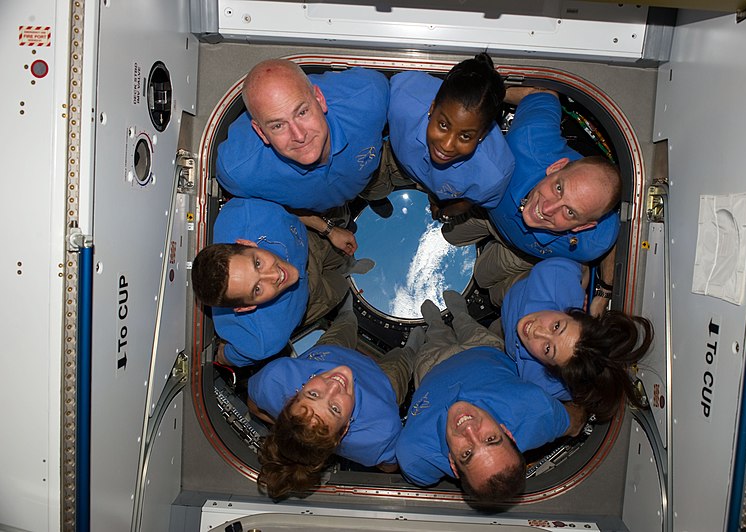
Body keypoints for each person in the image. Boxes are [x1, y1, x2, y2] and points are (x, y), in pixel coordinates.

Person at [395, 294, 584, 507]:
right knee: (468, 324)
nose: (469, 430)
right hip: (484, 350)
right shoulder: (535, 407)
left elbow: (422, 477)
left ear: (454, 466)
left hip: (432, 366)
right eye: (491, 439)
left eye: (467, 453)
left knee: (436, 336)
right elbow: (576, 423)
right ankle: (459, 313)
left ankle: (435, 323)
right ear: (507, 432)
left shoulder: (414, 454)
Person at [443, 85, 622, 308]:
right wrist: (480, 93)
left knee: (483, 278)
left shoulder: (594, 238)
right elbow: (544, 94)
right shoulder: (526, 144)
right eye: (558, 188)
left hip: (520, 252)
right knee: (448, 235)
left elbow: (613, 232)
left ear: (581, 227)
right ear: (556, 167)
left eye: (569, 212)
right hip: (487, 211)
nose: (547, 209)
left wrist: (604, 291)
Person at [248, 298, 424, 499]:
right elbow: (389, 466)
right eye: (334, 409)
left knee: (343, 327)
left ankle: (348, 315)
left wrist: (293, 432)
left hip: (330, 353)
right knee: (401, 363)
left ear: (292, 397)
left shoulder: (274, 379)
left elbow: (253, 406)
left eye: (313, 394)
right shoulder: (380, 434)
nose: (334, 385)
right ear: (345, 431)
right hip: (384, 384)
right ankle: (410, 349)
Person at [216, 59, 391, 254]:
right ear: (261, 133)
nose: (299, 136)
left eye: (302, 112)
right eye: (278, 125)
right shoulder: (239, 171)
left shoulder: (368, 97)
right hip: (319, 208)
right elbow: (272, 206)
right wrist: (329, 230)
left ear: (319, 99)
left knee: (375, 185)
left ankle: (374, 197)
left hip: (366, 176)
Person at [191, 197, 372, 367]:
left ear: (247, 243)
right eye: (257, 289)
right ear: (246, 308)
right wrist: (221, 352)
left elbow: (287, 204)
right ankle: (348, 272)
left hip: (308, 247)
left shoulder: (248, 213)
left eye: (257, 263)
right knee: (340, 286)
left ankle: (349, 264)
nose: (275, 276)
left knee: (342, 254)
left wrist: (329, 230)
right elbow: (225, 356)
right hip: (310, 297)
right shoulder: (262, 339)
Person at [500, 258, 654, 420]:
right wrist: (602, 295)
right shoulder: (554, 276)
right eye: (556, 326)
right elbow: (584, 265)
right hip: (516, 286)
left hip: (505, 334)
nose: (537, 332)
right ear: (573, 313)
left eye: (548, 349)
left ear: (550, 368)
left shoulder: (542, 383)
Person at [383, 53, 514, 222]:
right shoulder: (401, 97)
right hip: (399, 164)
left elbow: (475, 200)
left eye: (466, 136)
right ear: (432, 107)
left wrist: (455, 207)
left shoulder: (494, 174)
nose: (447, 145)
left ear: (482, 135)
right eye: (443, 125)